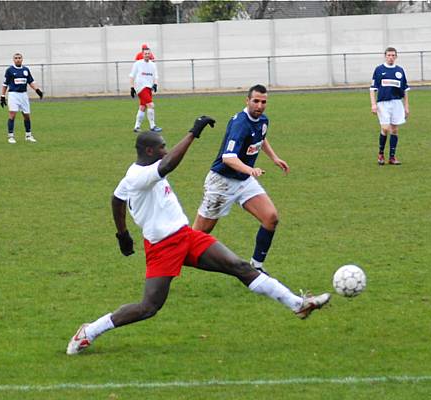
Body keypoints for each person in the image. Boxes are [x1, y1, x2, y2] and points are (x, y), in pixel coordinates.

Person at [66, 116, 330, 355]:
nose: (165, 150)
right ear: (149, 151)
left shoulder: (134, 175)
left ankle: (298, 304)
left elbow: (116, 198)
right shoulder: (140, 176)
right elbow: (167, 165)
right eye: (161, 147)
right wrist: (193, 133)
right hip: (163, 247)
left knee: (239, 266)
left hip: (186, 236)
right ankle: (89, 331)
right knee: (149, 307)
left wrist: (121, 234)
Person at [192, 84, 290, 274]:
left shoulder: (263, 120)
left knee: (271, 218)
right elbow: (228, 158)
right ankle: (168, 260)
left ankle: (257, 267)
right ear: (247, 101)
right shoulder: (240, 123)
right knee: (197, 235)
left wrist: (275, 158)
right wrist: (250, 170)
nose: (260, 106)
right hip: (222, 181)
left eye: (263, 102)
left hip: (243, 180)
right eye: (256, 101)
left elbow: (261, 137)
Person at [369, 47, 410, 166]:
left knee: (395, 129)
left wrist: (406, 106)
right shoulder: (379, 69)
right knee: (385, 128)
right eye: (389, 55)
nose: (391, 57)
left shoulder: (400, 70)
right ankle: (381, 153)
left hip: (397, 103)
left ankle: (392, 157)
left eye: (393, 55)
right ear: (385, 56)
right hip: (383, 103)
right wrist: (373, 104)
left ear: (396, 57)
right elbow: (372, 89)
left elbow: (405, 90)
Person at [0, 53, 43, 144]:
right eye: (16, 58)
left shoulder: (25, 70)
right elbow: (5, 84)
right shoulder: (10, 70)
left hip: (23, 95)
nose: (18, 59)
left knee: (26, 115)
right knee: (12, 114)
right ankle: (11, 136)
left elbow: (31, 81)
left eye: (19, 58)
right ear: (13, 60)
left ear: (22, 59)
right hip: (13, 95)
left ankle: (28, 135)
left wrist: (37, 90)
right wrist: (3, 96)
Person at [129, 48, 161, 133]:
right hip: (141, 87)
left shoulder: (153, 65)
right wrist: (132, 88)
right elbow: (132, 76)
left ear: (150, 54)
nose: (147, 55)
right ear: (142, 55)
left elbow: (156, 76)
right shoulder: (138, 64)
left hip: (148, 87)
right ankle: (153, 126)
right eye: (145, 53)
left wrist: (155, 84)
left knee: (143, 107)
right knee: (151, 105)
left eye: (148, 53)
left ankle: (137, 127)